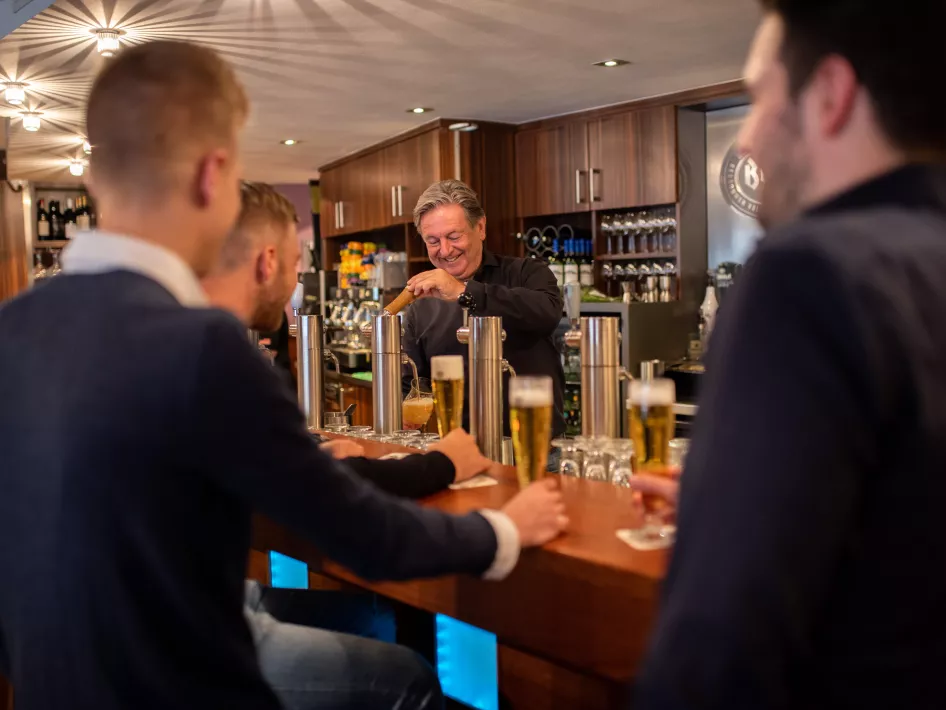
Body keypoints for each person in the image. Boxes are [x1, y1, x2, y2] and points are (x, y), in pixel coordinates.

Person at [0, 41, 568, 710]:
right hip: (177, 681)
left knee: (369, 625)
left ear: (96, 180)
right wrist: (505, 529)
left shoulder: (15, 327)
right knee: (412, 678)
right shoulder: (202, 346)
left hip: (55, 681)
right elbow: (364, 536)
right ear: (214, 176)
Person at [631, 2, 946, 709]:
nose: (744, 141)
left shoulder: (805, 271)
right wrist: (754, 495)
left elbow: (716, 649)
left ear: (830, 96)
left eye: (760, 96)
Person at [200, 182, 508, 709]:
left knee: (380, 617)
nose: (297, 281)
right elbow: (351, 522)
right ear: (267, 261)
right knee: (409, 674)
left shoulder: (184, 339)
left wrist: (320, 460)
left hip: (177, 606)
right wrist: (496, 531)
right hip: (196, 634)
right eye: (297, 264)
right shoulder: (219, 354)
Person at [401, 179, 566, 441]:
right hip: (461, 452)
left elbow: (547, 313)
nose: (445, 250)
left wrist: (463, 292)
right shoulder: (420, 303)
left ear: (480, 227)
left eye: (454, 236)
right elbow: (411, 382)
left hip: (537, 445)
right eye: (433, 241)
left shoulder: (526, 272)